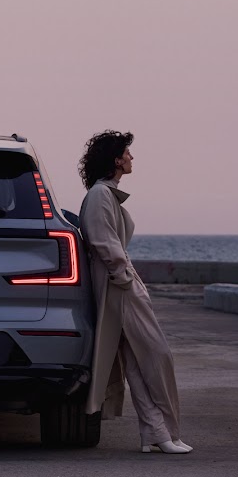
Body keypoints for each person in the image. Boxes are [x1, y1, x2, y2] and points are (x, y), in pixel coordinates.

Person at [78, 130, 193, 454]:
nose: (131, 158)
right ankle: (162, 432)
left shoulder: (104, 194)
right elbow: (104, 243)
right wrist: (126, 280)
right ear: (116, 160)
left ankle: (157, 433)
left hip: (119, 283)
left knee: (136, 361)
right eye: (127, 153)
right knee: (157, 355)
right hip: (118, 286)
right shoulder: (100, 195)